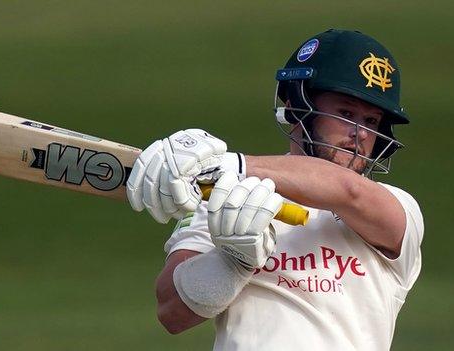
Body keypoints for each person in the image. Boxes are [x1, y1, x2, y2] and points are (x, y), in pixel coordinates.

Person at [126, 29, 424, 350]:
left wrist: (234, 164)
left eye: (371, 121)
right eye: (345, 113)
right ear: (298, 107)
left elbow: (348, 190)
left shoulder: (398, 207)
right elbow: (171, 312)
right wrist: (232, 263)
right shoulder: (228, 197)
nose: (360, 133)